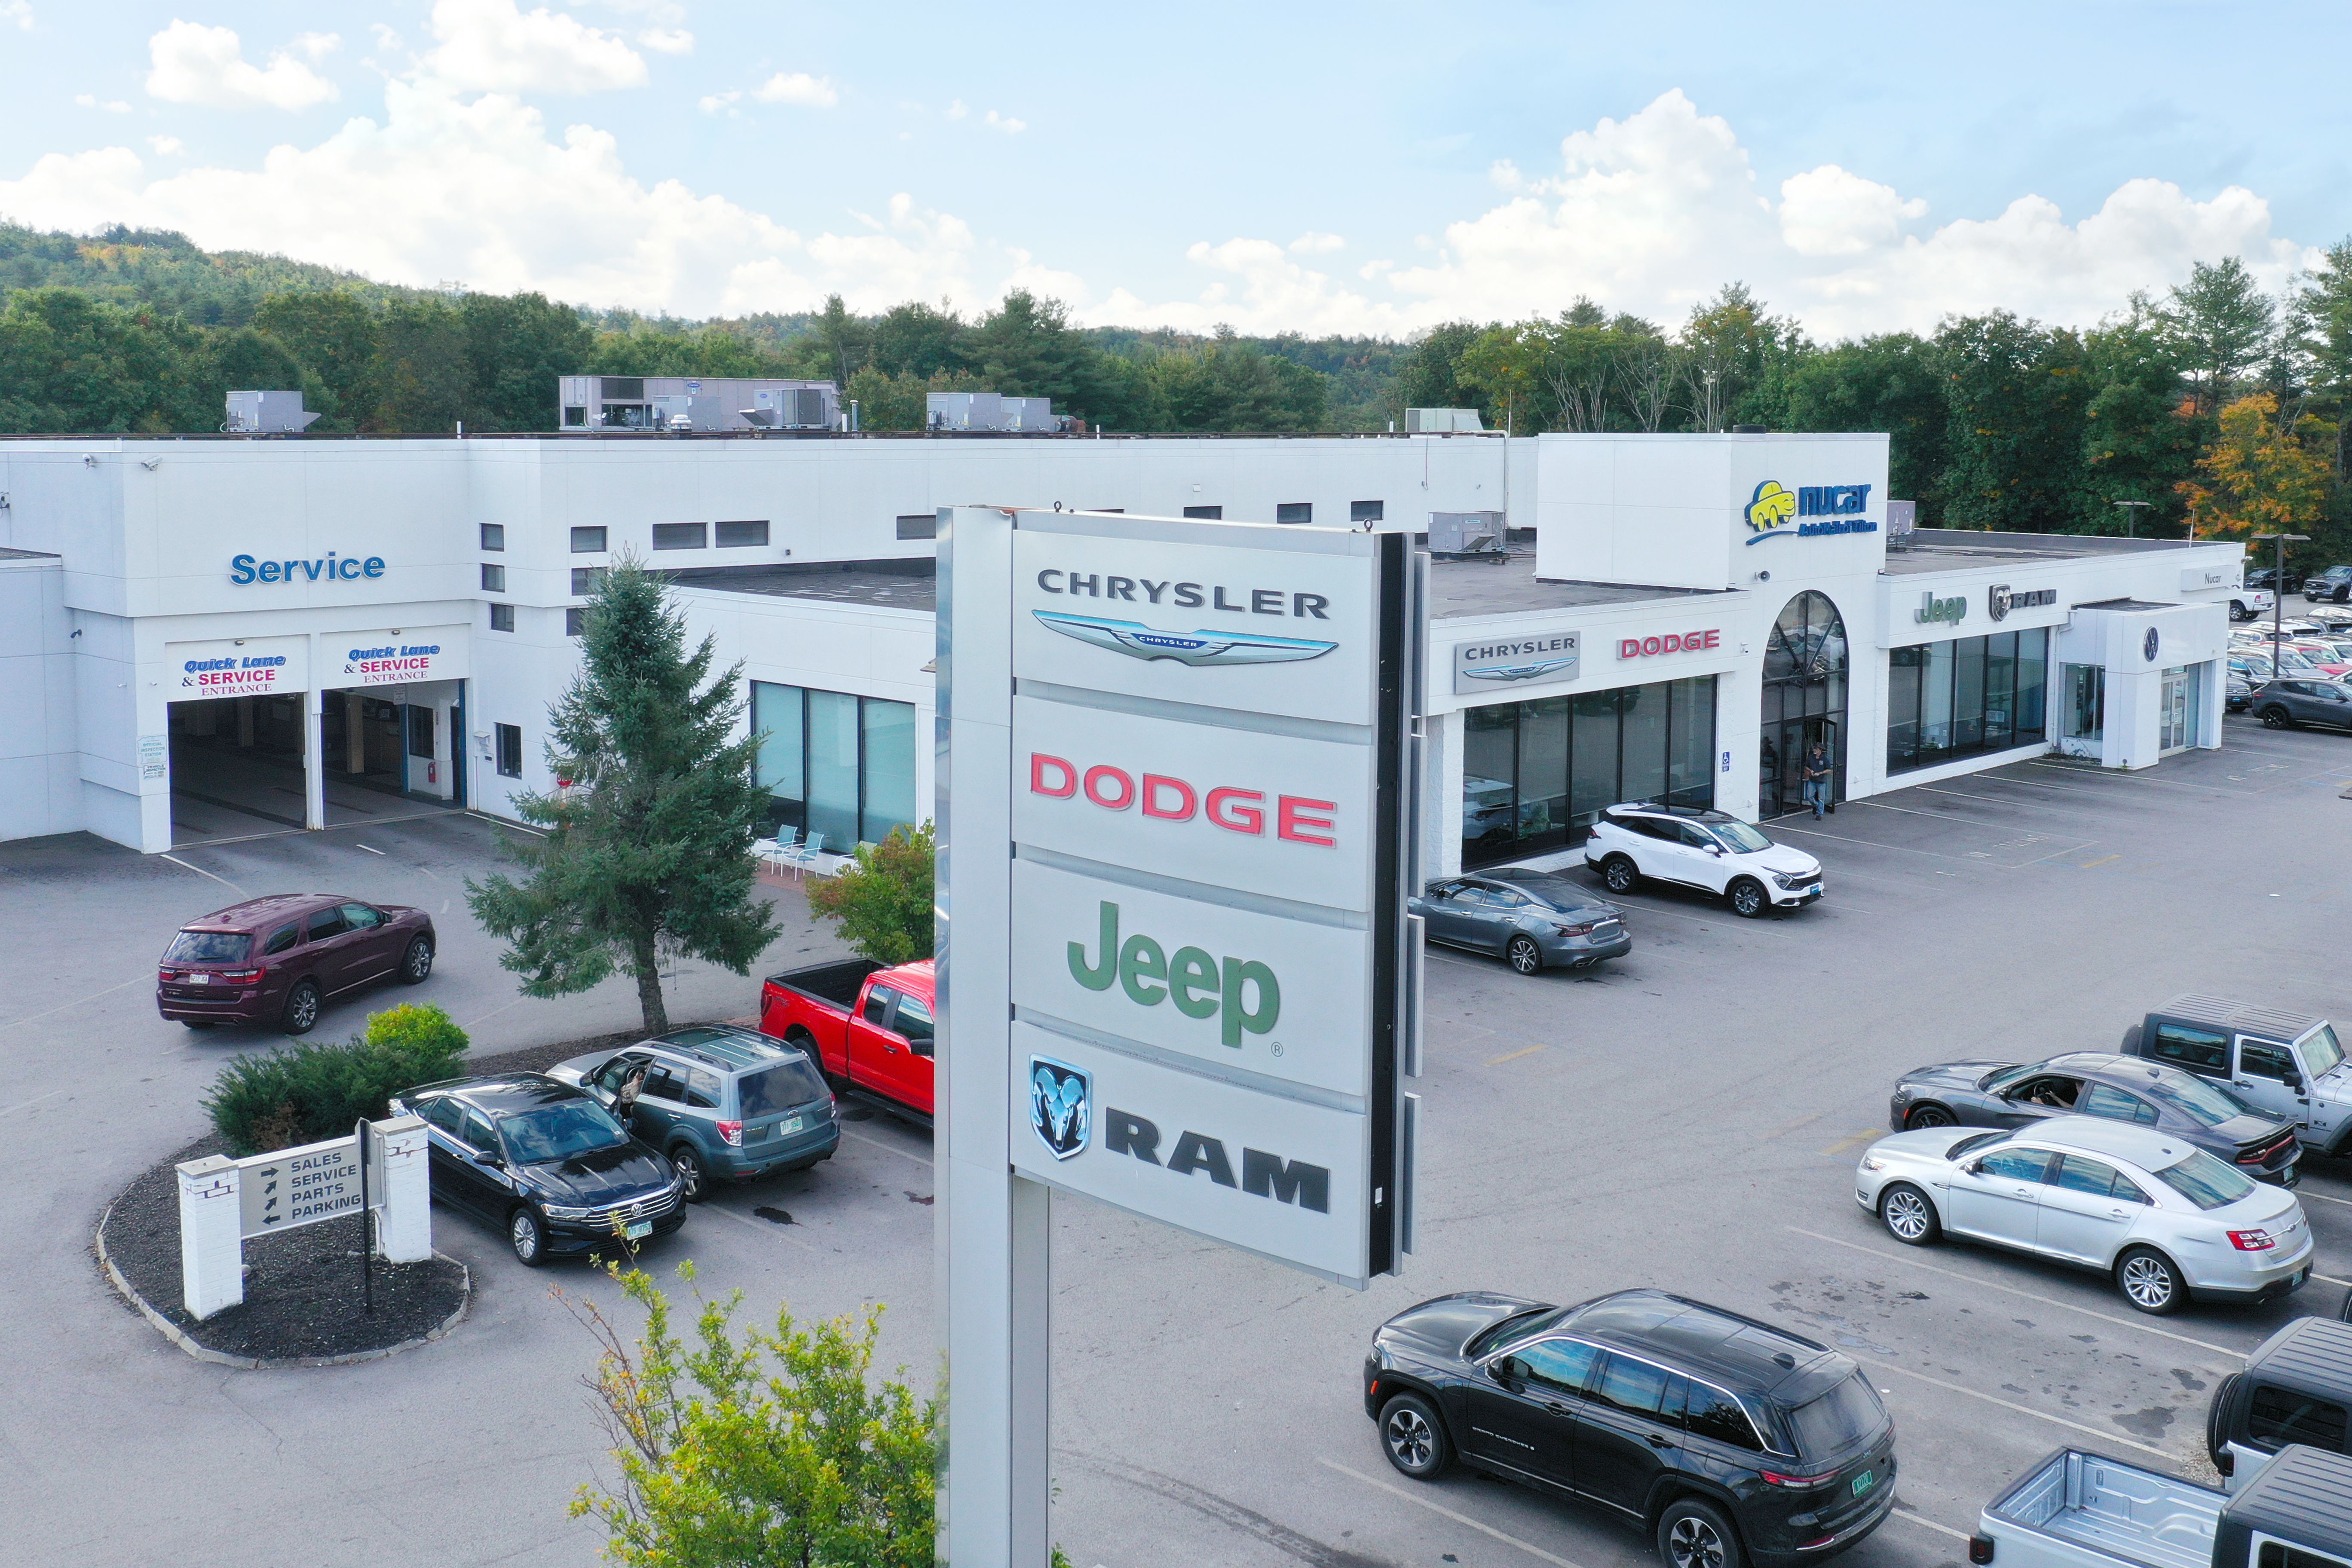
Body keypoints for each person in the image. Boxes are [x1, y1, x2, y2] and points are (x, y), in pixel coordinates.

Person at [1802, 741, 1833, 820]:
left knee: (1821, 798)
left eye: (1816, 749)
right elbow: (1806, 766)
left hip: (1821, 782)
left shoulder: (1825, 759)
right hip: (1812, 781)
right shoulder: (1811, 757)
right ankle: (1817, 806)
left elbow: (1829, 770)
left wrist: (1820, 773)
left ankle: (1820, 814)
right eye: (1814, 748)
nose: (1814, 750)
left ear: (1820, 750)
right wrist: (1811, 771)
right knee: (1810, 796)